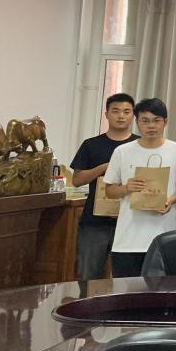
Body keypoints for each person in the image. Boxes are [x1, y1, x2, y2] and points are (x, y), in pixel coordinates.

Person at [103, 98, 176, 278]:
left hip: (163, 238)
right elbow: (109, 190)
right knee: (125, 291)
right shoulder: (122, 151)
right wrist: (126, 188)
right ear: (137, 122)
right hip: (127, 240)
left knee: (158, 292)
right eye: (145, 121)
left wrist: (171, 200)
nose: (151, 126)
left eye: (156, 120)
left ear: (165, 122)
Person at [70, 93, 139, 281]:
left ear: (133, 116)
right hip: (94, 222)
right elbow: (77, 180)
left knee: (126, 278)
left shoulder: (140, 145)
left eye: (126, 111)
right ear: (106, 114)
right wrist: (103, 168)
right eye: (115, 111)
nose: (121, 116)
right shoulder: (91, 145)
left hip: (130, 221)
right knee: (88, 276)